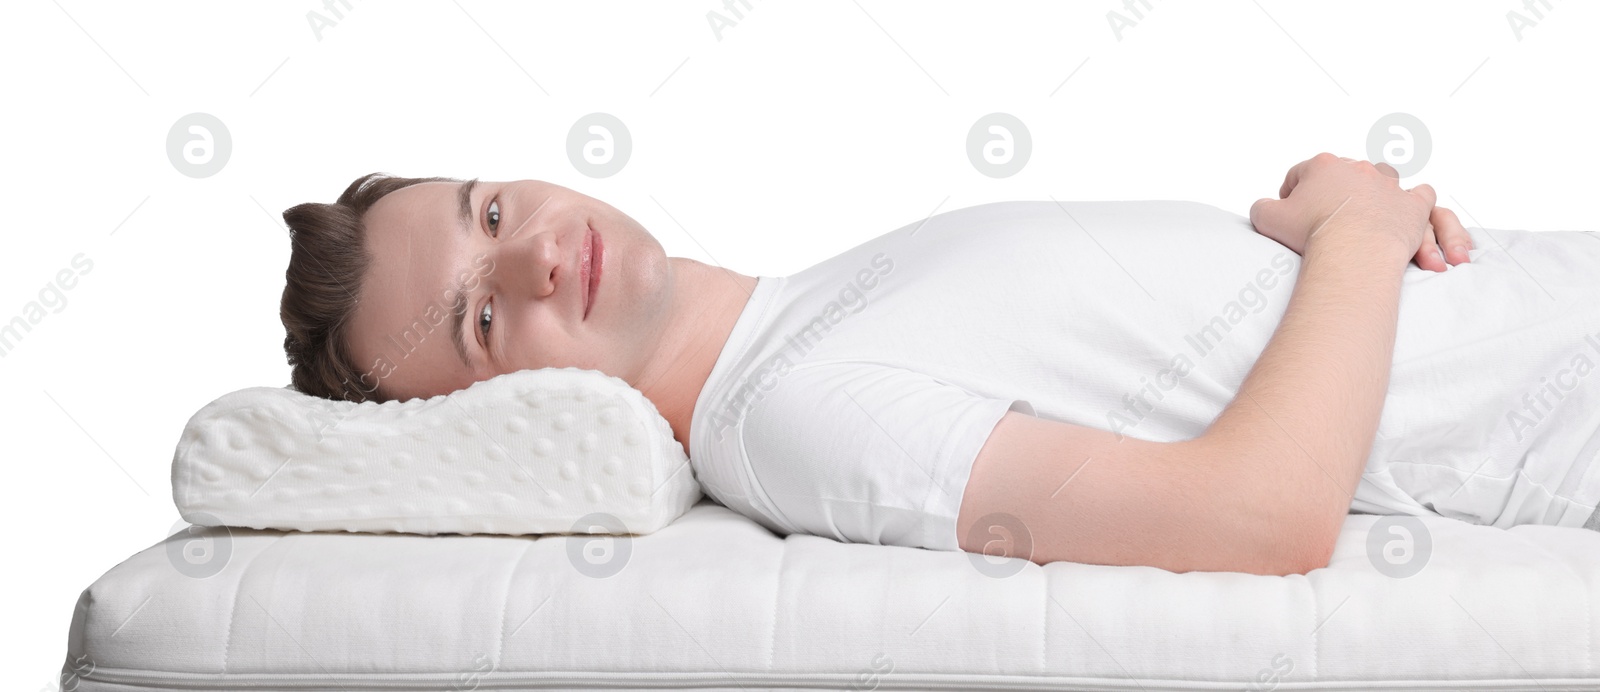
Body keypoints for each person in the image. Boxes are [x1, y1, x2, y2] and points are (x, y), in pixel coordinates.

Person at [279, 153, 1600, 577]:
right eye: (479, 323)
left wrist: (1332, 220)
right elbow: (1264, 516)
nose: (526, 260)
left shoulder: (808, 311)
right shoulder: (794, 418)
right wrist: (1358, 235)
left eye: (489, 213)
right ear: (509, 418)